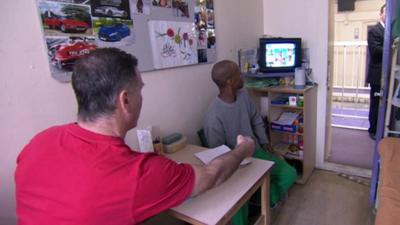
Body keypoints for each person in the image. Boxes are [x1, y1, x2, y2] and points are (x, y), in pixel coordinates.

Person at [15, 48, 255, 225]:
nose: (142, 95)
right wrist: (243, 149)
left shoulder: (39, 141)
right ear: (125, 100)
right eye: (140, 89)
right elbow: (212, 175)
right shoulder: (138, 174)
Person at [203, 60, 297, 225]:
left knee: (289, 174)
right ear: (229, 82)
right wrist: (237, 164)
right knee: (239, 204)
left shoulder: (243, 96)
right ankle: (255, 199)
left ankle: (262, 200)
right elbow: (218, 154)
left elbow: (256, 119)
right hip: (234, 162)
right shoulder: (213, 116)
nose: (242, 76)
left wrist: (264, 141)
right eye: (238, 74)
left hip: (255, 152)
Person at [367, 4, 386, 140]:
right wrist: (391, 46)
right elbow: (375, 51)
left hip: (386, 74)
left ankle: (382, 129)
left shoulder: (389, 30)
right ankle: (372, 130)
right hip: (377, 75)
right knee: (375, 103)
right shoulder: (374, 30)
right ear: (381, 14)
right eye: (386, 12)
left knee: (383, 103)